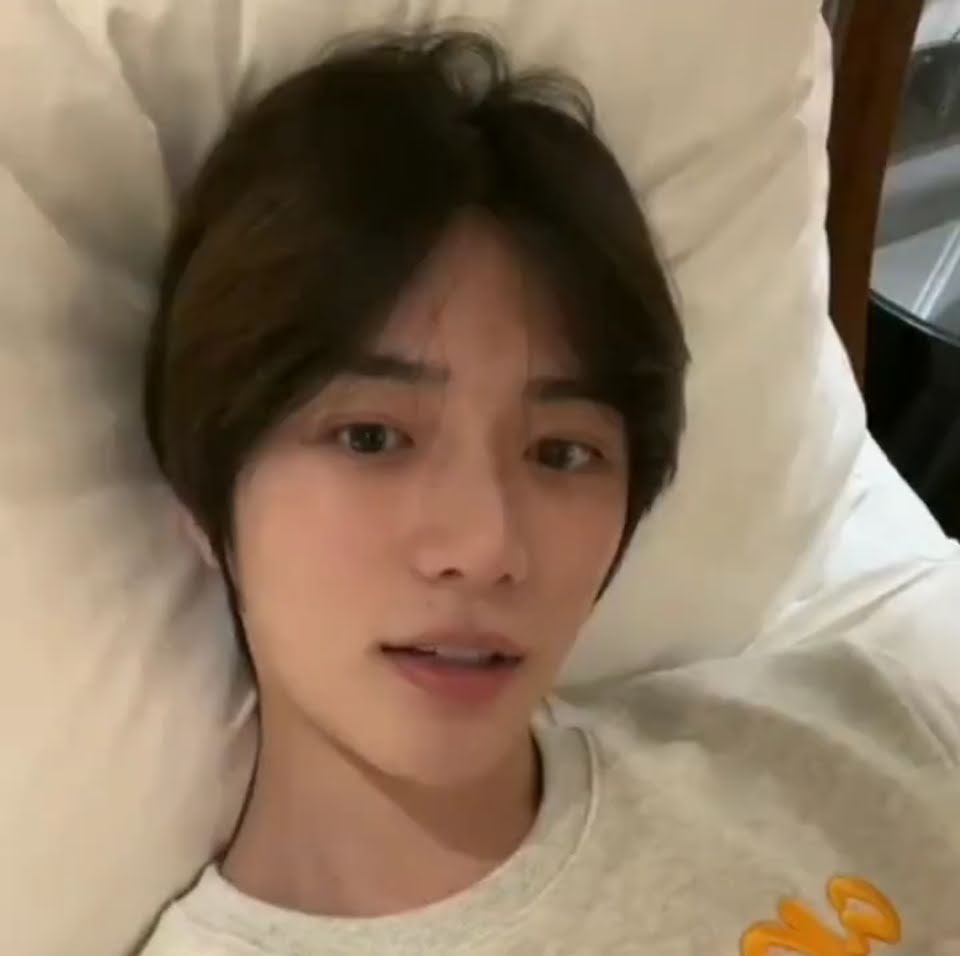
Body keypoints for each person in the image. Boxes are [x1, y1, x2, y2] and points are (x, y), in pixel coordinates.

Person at [138, 29, 960, 956]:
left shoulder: (864, 734)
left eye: (563, 453)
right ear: (204, 493)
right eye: (371, 437)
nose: (486, 546)